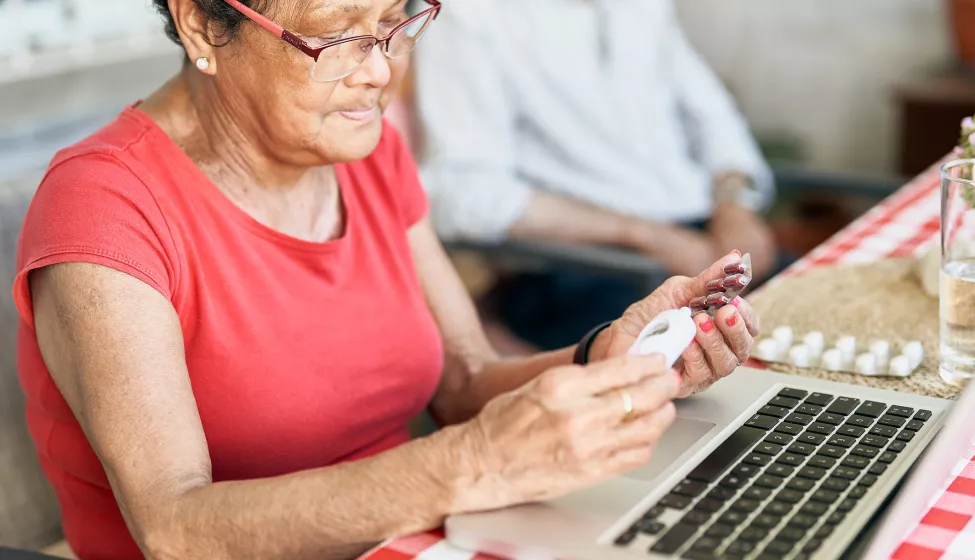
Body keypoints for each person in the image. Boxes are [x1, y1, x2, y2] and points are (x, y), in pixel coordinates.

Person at [13, 1, 759, 558]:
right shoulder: (105, 203)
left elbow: (463, 381)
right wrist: (465, 464)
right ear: (205, 27)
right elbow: (173, 528)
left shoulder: (365, 150)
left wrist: (609, 356)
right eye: (338, 35)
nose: (381, 70)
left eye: (395, 23)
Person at [414, 0, 781, 350]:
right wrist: (645, 235)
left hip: (701, 238)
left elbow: (716, 123)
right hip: (588, 269)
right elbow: (461, 193)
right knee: (744, 368)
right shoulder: (469, 13)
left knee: (814, 318)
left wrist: (735, 208)